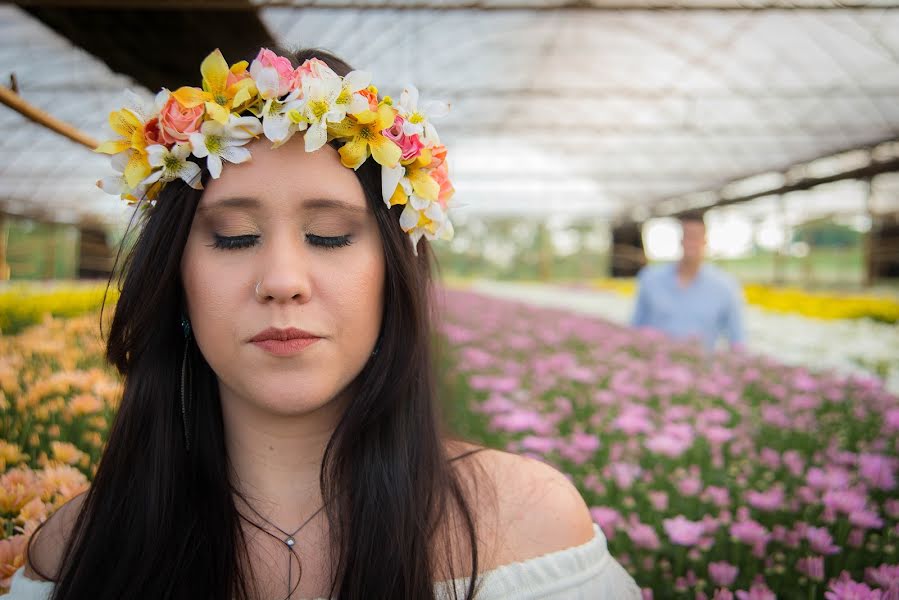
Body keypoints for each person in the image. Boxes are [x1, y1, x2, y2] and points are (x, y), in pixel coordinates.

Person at [7, 47, 641, 599]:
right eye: (233, 237)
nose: (283, 280)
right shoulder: (73, 557)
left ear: (395, 277)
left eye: (330, 236)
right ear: (174, 278)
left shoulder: (528, 532)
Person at [631, 213, 745, 351]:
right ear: (680, 240)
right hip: (656, 365)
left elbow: (737, 340)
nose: (692, 243)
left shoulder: (725, 286)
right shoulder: (650, 279)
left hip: (701, 368)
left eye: (696, 237)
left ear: (705, 241)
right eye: (688, 236)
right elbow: (635, 329)